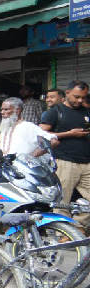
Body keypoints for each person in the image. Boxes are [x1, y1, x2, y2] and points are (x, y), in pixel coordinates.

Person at [40, 80, 90, 208]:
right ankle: (61, 222)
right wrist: (70, 134)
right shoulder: (56, 111)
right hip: (65, 162)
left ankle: (78, 221)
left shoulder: (86, 111)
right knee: (62, 202)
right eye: (76, 97)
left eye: (83, 97)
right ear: (67, 93)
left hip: (87, 162)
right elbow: (41, 133)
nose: (80, 100)